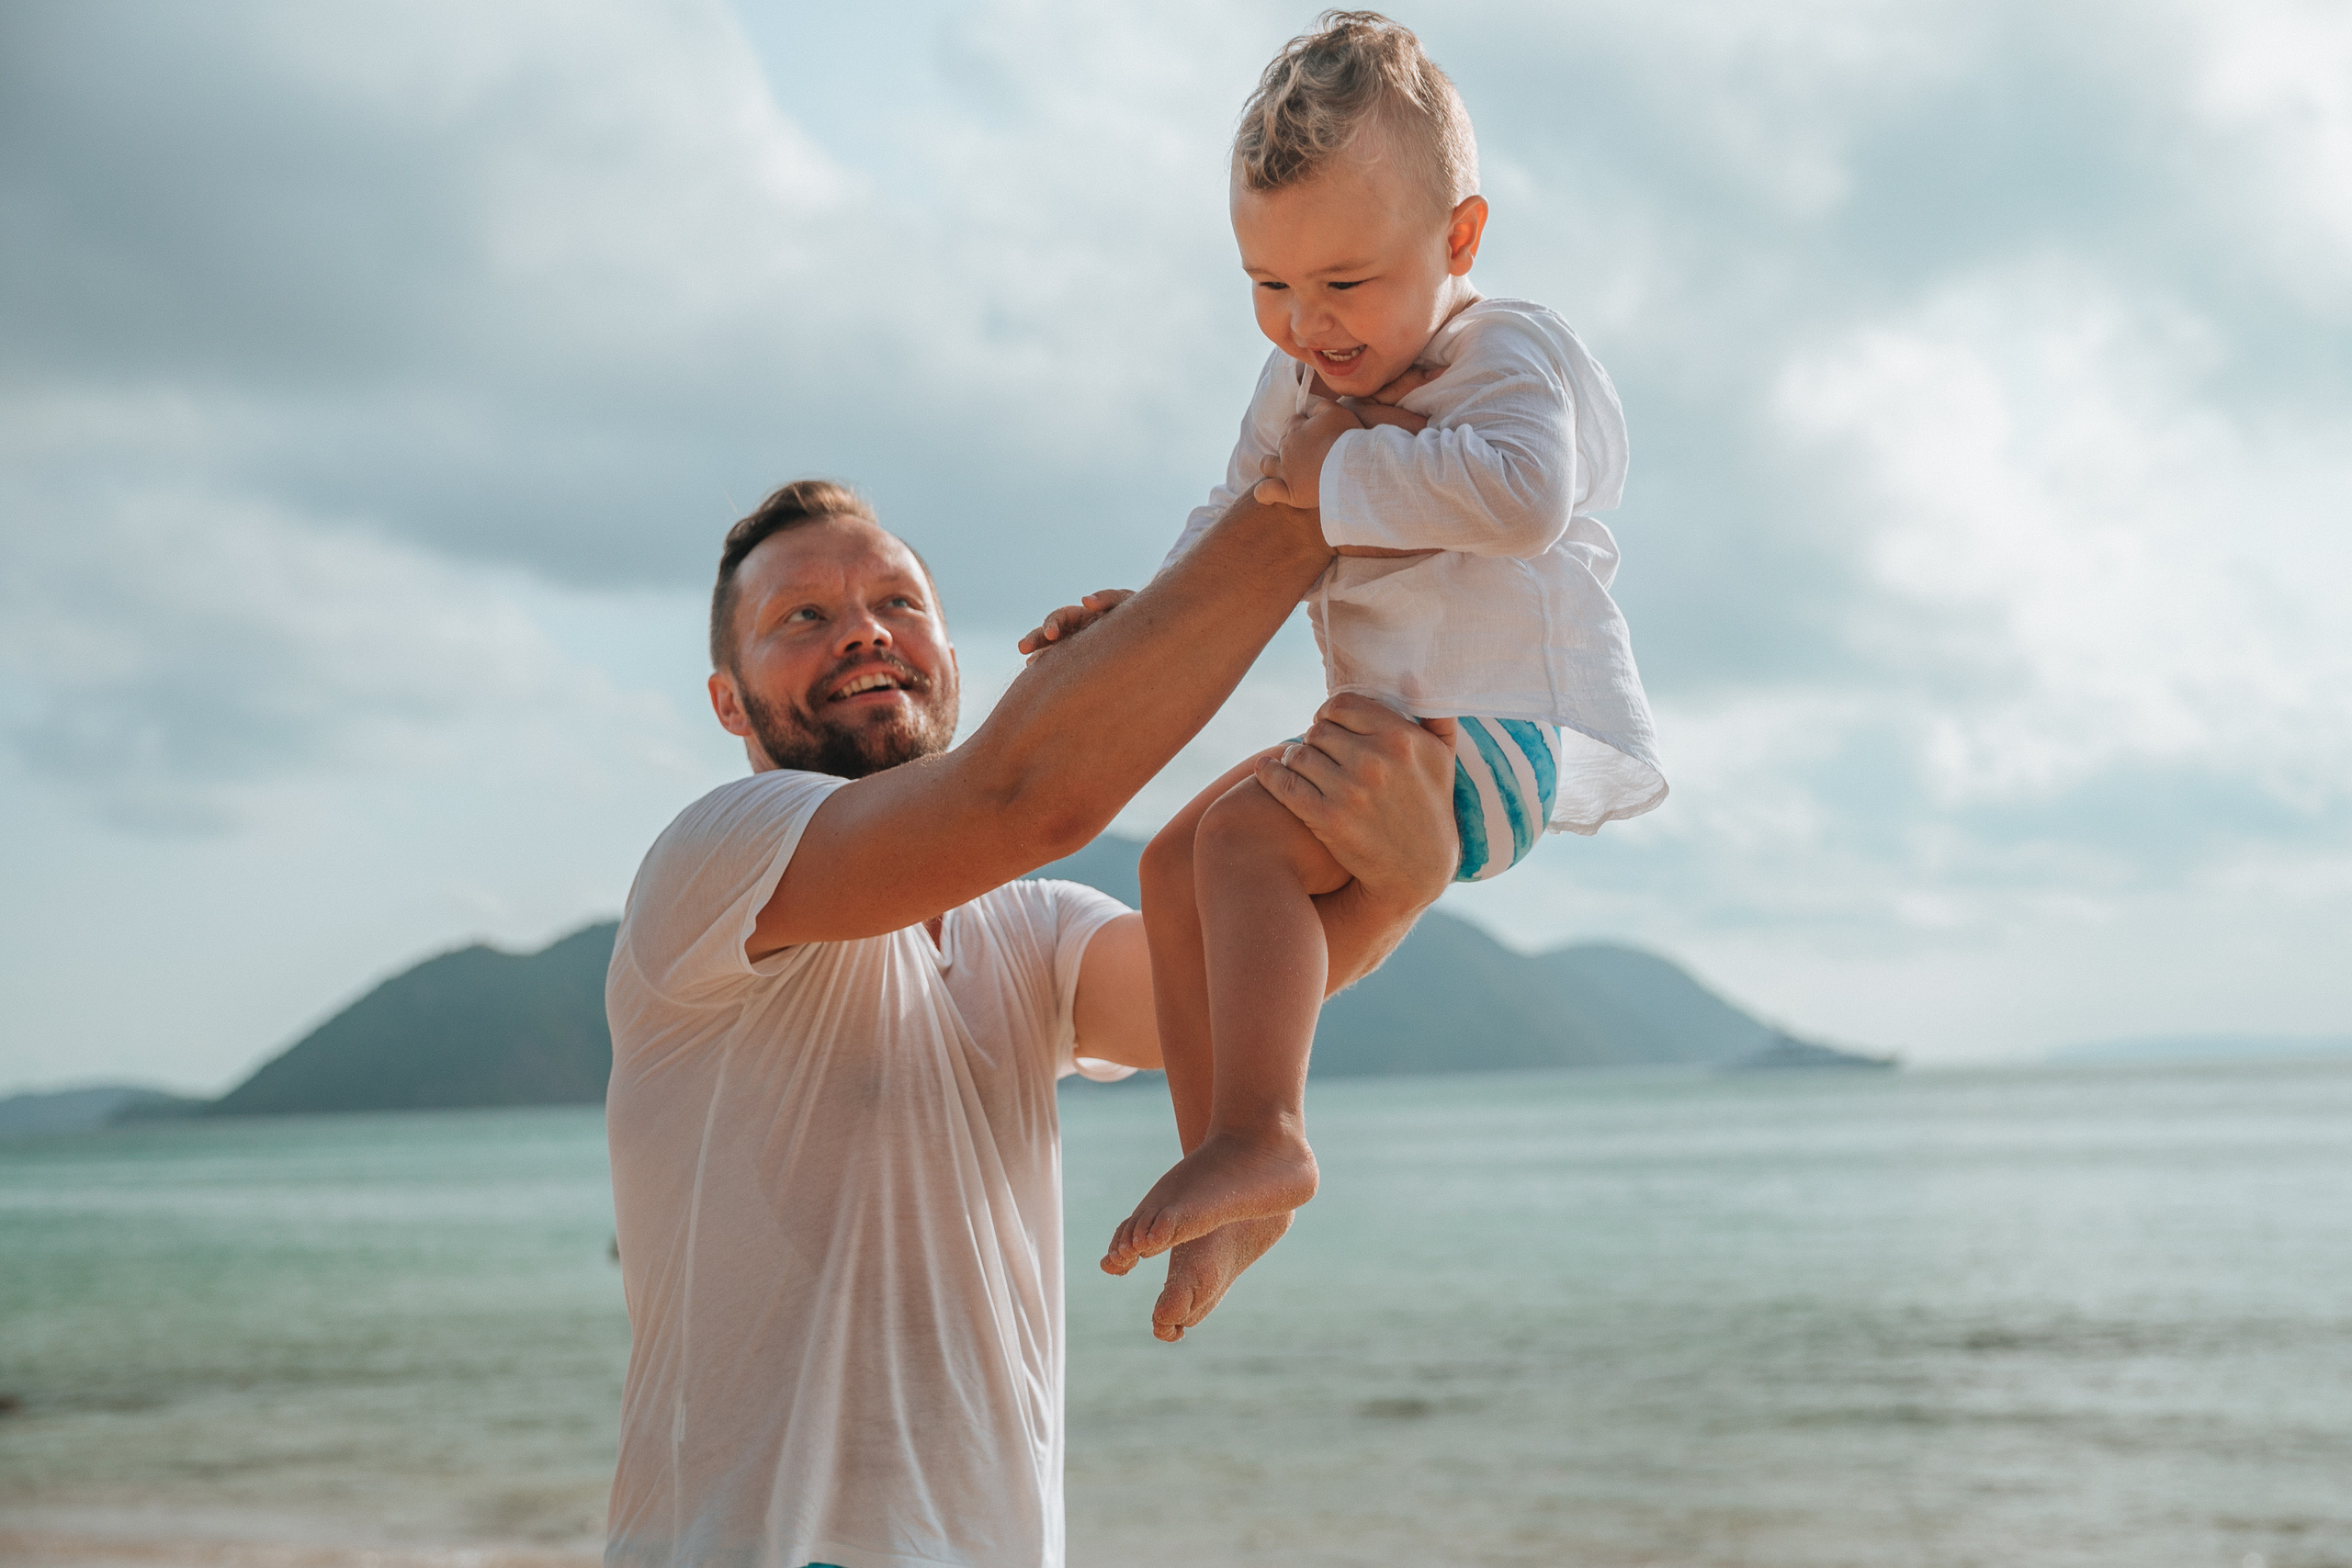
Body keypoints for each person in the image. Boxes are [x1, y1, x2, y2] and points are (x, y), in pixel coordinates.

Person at [603, 478, 1460, 1568]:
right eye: (802, 616)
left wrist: (1404, 877)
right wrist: (1302, 500)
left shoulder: (1033, 925)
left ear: (954, 662)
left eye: (898, 604)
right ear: (729, 703)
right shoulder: (717, 854)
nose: (864, 630)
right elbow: (1025, 798)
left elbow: (1209, 993)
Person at [1021, 12, 1668, 1279]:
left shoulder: (1506, 352)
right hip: (1392, 725)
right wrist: (1138, 621)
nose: (1307, 325)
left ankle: (1268, 1131)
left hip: (1490, 730)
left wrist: (1338, 478)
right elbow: (1236, 515)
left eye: (1344, 282)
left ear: (1459, 238)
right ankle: (1229, 1168)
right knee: (1174, 866)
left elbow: (1531, 492)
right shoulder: (1312, 386)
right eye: (1269, 287)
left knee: (1251, 845)